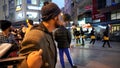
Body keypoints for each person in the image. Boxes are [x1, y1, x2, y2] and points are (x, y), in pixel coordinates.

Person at [18, 2, 62, 68]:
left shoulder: (48, 32)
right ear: (55, 17)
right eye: (60, 15)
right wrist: (29, 65)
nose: (62, 18)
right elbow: (20, 63)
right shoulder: (34, 36)